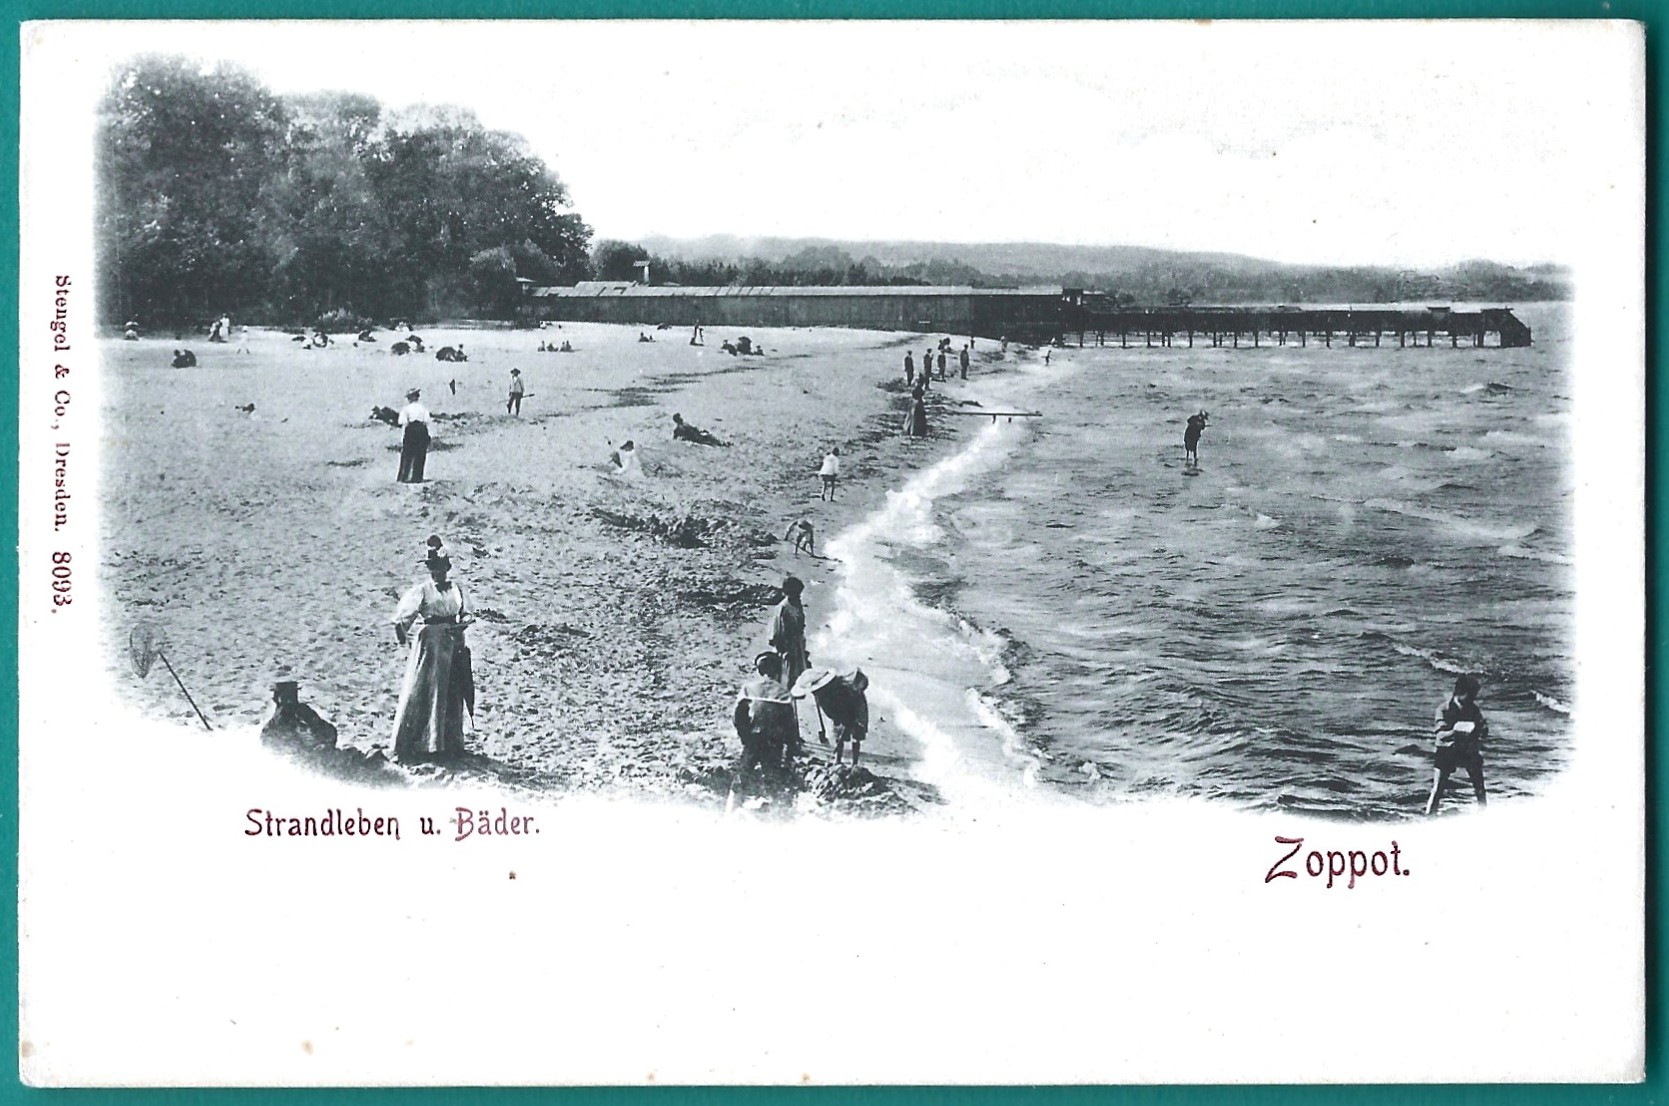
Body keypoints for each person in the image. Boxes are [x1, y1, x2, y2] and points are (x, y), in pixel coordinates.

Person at [389, 538, 472, 764]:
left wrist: (462, 624)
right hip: (432, 645)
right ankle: (423, 744)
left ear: (448, 568)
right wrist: (404, 643)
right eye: (433, 569)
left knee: (452, 692)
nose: (437, 573)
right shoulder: (422, 591)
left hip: (454, 642)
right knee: (429, 690)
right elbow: (402, 620)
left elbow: (466, 613)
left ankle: (449, 744)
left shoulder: (457, 589)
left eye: (441, 569)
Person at [1426, 675, 1489, 814]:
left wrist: (1482, 731)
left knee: (1480, 788)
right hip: (1447, 751)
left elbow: (1482, 728)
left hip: (1468, 750)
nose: (1472, 699)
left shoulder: (1473, 709)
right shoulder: (1444, 709)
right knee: (1437, 789)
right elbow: (1440, 735)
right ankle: (1428, 818)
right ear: (1459, 693)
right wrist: (1455, 732)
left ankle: (1484, 816)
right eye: (1470, 695)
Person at [792, 667, 870, 766]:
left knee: (856, 734)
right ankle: (837, 760)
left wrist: (847, 723)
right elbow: (833, 714)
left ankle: (854, 763)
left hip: (855, 707)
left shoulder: (839, 690)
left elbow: (848, 711)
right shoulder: (822, 696)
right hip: (840, 712)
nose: (814, 693)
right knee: (838, 733)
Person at [734, 652, 796, 774]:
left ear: (760, 671)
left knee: (743, 774)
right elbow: (790, 724)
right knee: (772, 777)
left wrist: (744, 736)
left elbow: (737, 717)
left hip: (753, 738)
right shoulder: (784, 693)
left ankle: (735, 792)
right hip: (774, 741)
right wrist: (789, 748)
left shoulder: (748, 689)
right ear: (778, 671)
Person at [767, 576, 810, 694]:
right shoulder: (783, 608)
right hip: (787, 646)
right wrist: (784, 649)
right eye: (797, 593)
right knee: (786, 675)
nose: (799, 596)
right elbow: (777, 631)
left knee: (797, 675)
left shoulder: (796, 604)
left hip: (797, 645)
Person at [397, 388, 430, 483]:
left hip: (411, 431)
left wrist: (402, 438)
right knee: (420, 454)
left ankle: (404, 477)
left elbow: (403, 422)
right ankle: (417, 477)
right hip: (422, 431)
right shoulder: (423, 409)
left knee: (407, 454)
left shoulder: (406, 409)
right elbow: (427, 422)